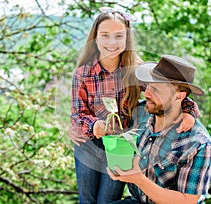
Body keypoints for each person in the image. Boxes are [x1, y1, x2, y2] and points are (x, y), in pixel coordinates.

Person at [69, 7, 200, 204]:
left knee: (108, 200)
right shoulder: (82, 73)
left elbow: (165, 92)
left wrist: (188, 111)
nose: (111, 42)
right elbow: (78, 113)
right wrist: (93, 125)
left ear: (127, 39)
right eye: (105, 35)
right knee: (86, 200)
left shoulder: (135, 70)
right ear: (95, 37)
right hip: (87, 145)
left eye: (118, 36)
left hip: (119, 145)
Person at [108, 55, 211, 204]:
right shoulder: (141, 113)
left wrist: (138, 180)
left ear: (180, 96)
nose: (146, 94)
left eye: (156, 89)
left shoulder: (199, 143)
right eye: (148, 86)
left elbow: (187, 201)